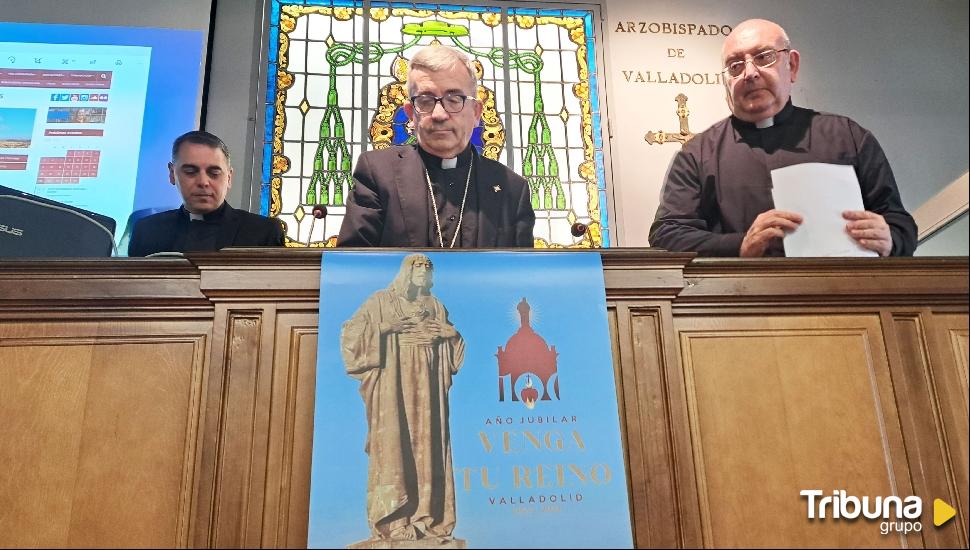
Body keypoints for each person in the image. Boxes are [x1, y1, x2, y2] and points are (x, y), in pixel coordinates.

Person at [649, 19, 917, 257]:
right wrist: (740, 245)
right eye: (735, 65)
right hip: (743, 303)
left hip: (844, 298)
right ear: (726, 82)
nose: (750, 73)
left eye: (764, 57)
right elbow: (667, 235)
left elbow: (901, 224)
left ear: (792, 65)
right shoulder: (697, 154)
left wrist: (889, 238)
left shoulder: (847, 136)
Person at [337, 45, 535, 248]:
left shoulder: (512, 190)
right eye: (425, 101)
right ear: (410, 114)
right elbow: (353, 266)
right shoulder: (377, 173)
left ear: (476, 112)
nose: (439, 114)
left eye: (454, 99)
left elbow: (522, 274)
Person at [340, 254, 465, 543]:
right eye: (417, 265)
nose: (423, 270)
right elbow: (350, 335)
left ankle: (425, 518)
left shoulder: (435, 306)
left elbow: (453, 357)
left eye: (428, 266)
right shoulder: (381, 301)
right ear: (405, 271)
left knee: (428, 444)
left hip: (429, 383)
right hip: (393, 381)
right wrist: (385, 328)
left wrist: (451, 334)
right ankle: (396, 520)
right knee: (395, 445)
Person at [127, 131, 284, 256]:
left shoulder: (264, 232)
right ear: (172, 173)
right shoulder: (146, 231)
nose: (203, 182)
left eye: (214, 173)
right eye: (190, 172)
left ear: (229, 178)